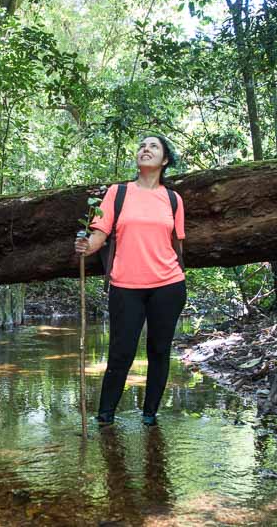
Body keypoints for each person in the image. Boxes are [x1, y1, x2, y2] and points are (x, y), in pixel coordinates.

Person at [74, 134, 186, 427]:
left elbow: (177, 245)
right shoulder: (118, 193)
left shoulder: (174, 200)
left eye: (153, 147)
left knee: (159, 351)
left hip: (168, 285)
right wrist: (87, 246)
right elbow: (99, 235)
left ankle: (150, 417)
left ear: (164, 161)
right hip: (126, 286)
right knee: (121, 353)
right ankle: (105, 418)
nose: (145, 149)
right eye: (142, 146)